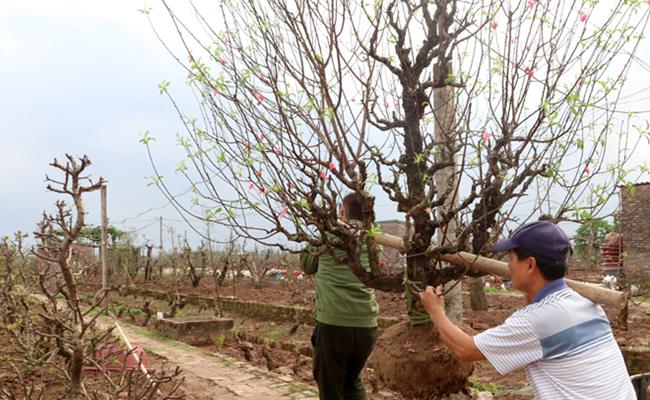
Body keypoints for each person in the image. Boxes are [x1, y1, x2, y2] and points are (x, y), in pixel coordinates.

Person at [419, 220, 636, 399]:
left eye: (511, 258)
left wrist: (436, 311)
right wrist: (529, 287)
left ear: (531, 265)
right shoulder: (587, 305)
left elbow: (466, 349)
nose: (508, 266)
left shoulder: (537, 321)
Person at [299, 193, 379, 400]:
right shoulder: (373, 240)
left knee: (330, 388)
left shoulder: (329, 236)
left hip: (334, 323)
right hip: (366, 326)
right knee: (351, 383)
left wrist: (320, 230)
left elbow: (307, 266)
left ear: (342, 211)